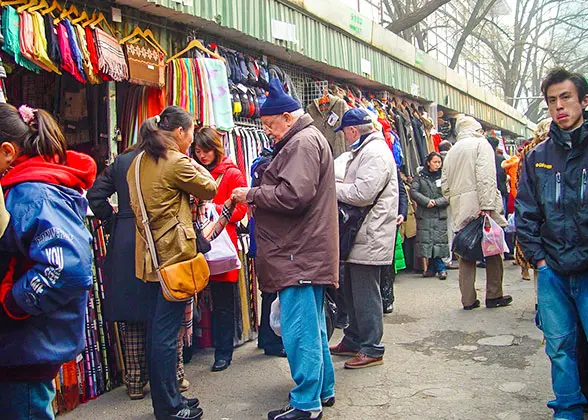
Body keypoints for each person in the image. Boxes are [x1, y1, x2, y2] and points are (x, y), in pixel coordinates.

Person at [232, 78, 338, 420]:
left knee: (300, 330)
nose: (267, 133)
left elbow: (294, 196)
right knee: (313, 325)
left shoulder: (302, 143)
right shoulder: (306, 139)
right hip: (305, 251)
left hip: (298, 253)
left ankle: (307, 404)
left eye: (269, 125)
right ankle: (323, 390)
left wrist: (251, 195)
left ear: (287, 119)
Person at [0, 104, 97, 419]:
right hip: (25, 346)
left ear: (6, 151)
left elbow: (66, 266)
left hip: (26, 347)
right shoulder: (30, 188)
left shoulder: (31, 193)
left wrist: (12, 303)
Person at [127, 106, 218, 420]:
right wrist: (188, 158)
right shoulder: (175, 161)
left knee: (158, 330)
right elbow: (210, 186)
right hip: (172, 257)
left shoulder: (137, 161)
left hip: (149, 257)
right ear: (180, 132)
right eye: (191, 132)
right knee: (166, 334)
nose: (192, 138)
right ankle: (168, 407)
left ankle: (171, 398)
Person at [87, 147, 189, 399]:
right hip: (157, 239)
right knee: (165, 313)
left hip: (125, 240)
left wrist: (115, 221)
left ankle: (134, 383)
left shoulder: (121, 162)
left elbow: (95, 196)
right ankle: (173, 377)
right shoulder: (165, 159)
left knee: (131, 313)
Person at [516, 68, 588, 420]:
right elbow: (525, 213)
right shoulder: (536, 157)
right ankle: (568, 410)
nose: (559, 107)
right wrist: (540, 261)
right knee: (559, 348)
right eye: (552, 101)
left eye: (566, 98)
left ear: (583, 101)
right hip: (553, 271)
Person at [329, 108, 398, 369]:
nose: (346, 139)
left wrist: (331, 187)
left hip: (371, 233)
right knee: (353, 289)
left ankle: (372, 347)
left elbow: (363, 193)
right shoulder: (368, 150)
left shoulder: (374, 153)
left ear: (353, 130)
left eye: (346, 133)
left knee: (365, 291)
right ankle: (355, 339)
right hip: (363, 232)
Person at [441, 115, 512, 310]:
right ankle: (494, 294)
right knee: (493, 248)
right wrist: (488, 204)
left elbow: (445, 186)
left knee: (466, 250)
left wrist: (455, 199)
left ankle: (468, 299)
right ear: (477, 129)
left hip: (460, 206)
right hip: (481, 203)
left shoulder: (452, 151)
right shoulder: (481, 145)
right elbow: (486, 176)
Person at [193, 127, 248, 372]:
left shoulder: (231, 174)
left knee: (223, 301)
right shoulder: (192, 171)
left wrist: (217, 211)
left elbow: (242, 209)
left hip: (222, 244)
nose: (202, 156)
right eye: (197, 151)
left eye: (206, 151)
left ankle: (223, 352)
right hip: (197, 243)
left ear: (215, 149)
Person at [513, 119, 552, 282]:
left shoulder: (529, 150)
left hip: (535, 203)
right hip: (540, 205)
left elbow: (518, 179)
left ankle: (539, 298)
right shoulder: (535, 151)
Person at [411, 152, 450, 280]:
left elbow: (449, 194)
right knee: (428, 241)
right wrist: (426, 201)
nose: (438, 165)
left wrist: (436, 202)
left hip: (439, 213)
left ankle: (437, 268)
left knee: (437, 240)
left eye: (439, 162)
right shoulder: (420, 176)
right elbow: (414, 191)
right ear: (428, 162)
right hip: (425, 213)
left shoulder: (444, 176)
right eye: (435, 162)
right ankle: (437, 268)